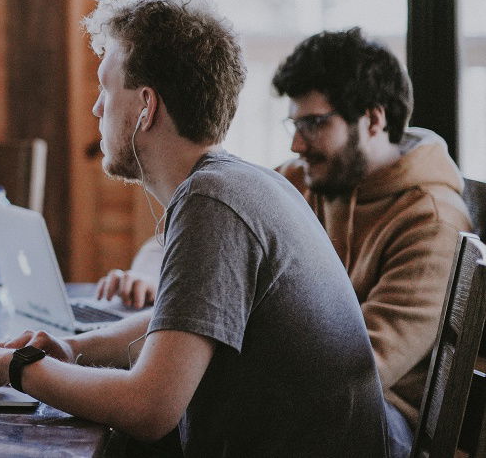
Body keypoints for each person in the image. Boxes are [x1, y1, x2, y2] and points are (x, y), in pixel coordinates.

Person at [0, 0, 388, 456]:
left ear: (146, 106)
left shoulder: (212, 201)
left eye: (106, 89)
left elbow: (149, 408)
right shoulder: (240, 183)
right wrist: (73, 348)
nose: (97, 108)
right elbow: (182, 320)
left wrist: (10, 366)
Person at [97, 28, 472, 456]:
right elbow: (195, 238)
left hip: (376, 424)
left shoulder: (432, 220)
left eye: (314, 124)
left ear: (373, 119)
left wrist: (182, 351)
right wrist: (147, 274)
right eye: (294, 124)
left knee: (149, 414)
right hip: (297, 398)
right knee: (132, 420)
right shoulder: (303, 178)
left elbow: (358, 368)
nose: (296, 144)